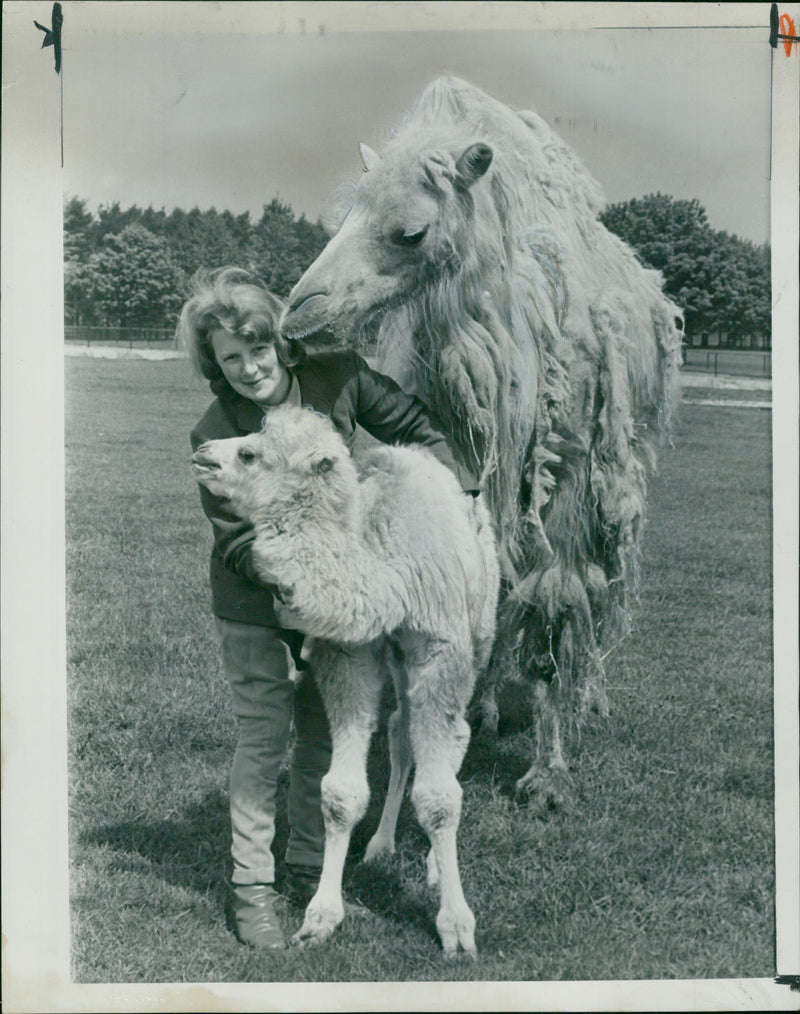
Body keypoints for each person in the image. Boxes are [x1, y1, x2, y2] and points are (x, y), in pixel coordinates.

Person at [178, 266, 478, 950]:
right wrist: (306, 570)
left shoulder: (336, 375)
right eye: (230, 358)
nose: (248, 367)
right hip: (260, 600)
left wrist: (451, 492)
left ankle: (312, 866)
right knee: (261, 739)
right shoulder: (216, 434)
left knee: (322, 729)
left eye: (257, 349)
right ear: (214, 366)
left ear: (281, 343)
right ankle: (252, 888)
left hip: (340, 586)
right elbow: (237, 546)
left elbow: (408, 422)